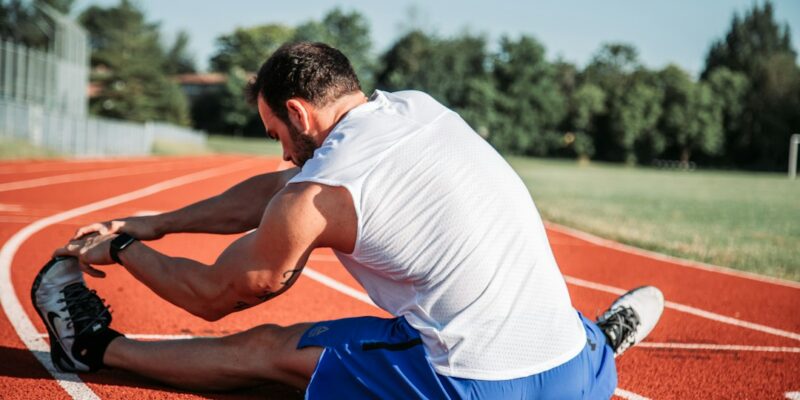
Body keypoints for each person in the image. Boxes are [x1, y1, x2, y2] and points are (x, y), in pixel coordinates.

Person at [33, 42, 664, 399]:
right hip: (573, 375)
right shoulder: (416, 109)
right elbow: (278, 187)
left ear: (301, 115)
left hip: (471, 388)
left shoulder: (317, 196)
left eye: (277, 131)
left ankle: (94, 348)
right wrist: (159, 222)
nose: (281, 151)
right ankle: (603, 341)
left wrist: (120, 251)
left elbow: (212, 296)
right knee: (520, 295)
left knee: (269, 350)